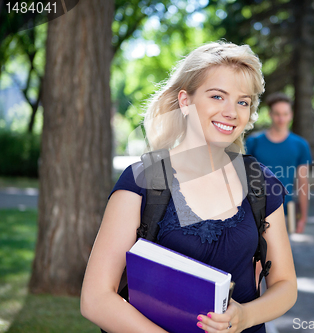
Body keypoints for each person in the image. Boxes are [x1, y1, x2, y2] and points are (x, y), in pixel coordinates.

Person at [80, 41, 297, 333]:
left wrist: (244, 316)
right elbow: (96, 299)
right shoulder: (143, 181)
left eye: (243, 101)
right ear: (185, 101)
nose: (231, 111)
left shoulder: (261, 182)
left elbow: (285, 285)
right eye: (218, 96)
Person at [245, 93, 312, 233]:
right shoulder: (253, 142)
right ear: (270, 114)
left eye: (285, 114)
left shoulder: (301, 145)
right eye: (277, 114)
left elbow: (303, 183)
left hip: (286, 212)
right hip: (256, 212)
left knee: (285, 254)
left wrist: (303, 217)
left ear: (291, 115)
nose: (281, 119)